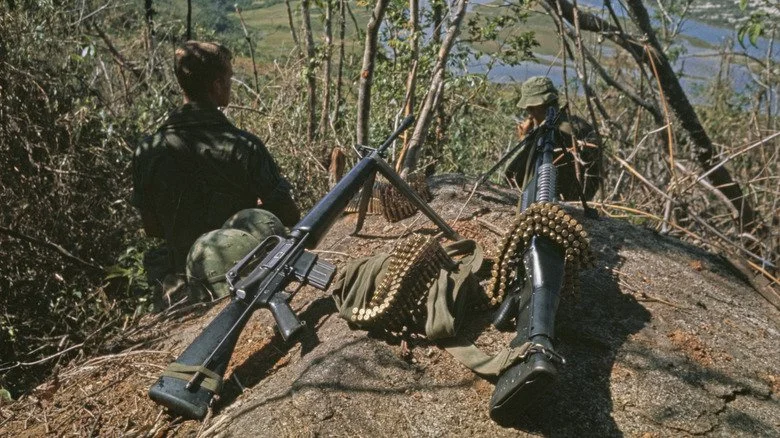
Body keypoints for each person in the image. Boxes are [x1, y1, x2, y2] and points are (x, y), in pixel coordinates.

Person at [131, 41, 300, 298]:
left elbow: (152, 228)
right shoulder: (243, 146)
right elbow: (288, 214)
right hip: (240, 276)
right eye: (229, 78)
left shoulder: (147, 150)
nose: (230, 84)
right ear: (217, 85)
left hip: (181, 283)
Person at [504, 76, 602, 202]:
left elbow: (511, 176)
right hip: (582, 198)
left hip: (556, 201)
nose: (529, 114)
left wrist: (525, 140)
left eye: (529, 109)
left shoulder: (550, 133)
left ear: (535, 107)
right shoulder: (580, 125)